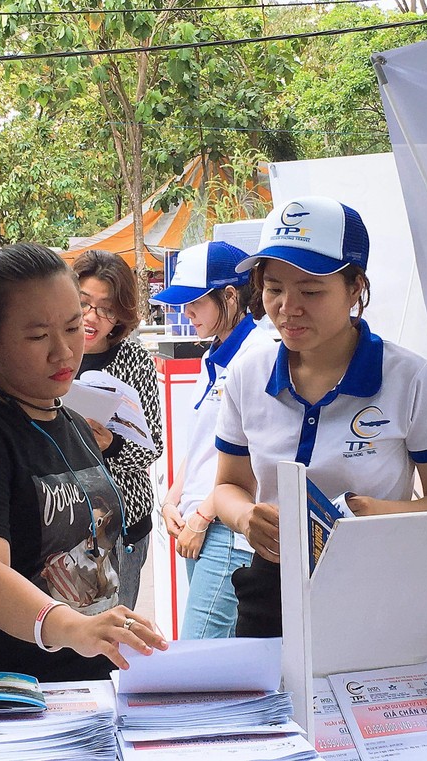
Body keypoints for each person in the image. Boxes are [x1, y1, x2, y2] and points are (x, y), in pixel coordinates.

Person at [212, 196, 427, 637]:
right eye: (274, 289)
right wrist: (244, 518)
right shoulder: (246, 374)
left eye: (311, 291)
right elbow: (228, 485)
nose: (288, 308)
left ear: (355, 288)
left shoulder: (414, 380)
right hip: (272, 589)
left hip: (378, 591)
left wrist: (375, 515)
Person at [0, 243, 167, 682]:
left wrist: (110, 619)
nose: (63, 352)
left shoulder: (71, 419)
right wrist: (72, 626)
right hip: (11, 689)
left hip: (85, 682)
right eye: (39, 336)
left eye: (73, 327)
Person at [151, 241, 274, 638]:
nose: (186, 313)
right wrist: (172, 499)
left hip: (225, 529)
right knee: (215, 656)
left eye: (195, 303)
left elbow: (253, 456)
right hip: (199, 524)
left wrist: (203, 517)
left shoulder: (258, 356)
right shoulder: (214, 355)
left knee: (197, 653)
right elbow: (208, 443)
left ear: (231, 295)